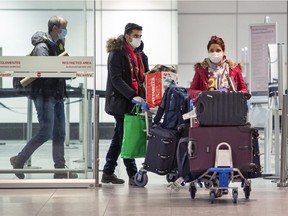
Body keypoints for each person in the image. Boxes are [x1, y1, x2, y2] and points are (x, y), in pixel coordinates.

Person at [10, 16, 78, 179]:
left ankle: (60, 168)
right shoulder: (42, 46)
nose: (65, 31)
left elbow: (58, 69)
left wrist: (68, 71)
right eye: (64, 28)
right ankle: (19, 160)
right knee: (46, 132)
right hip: (44, 94)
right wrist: (62, 70)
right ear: (55, 28)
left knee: (59, 131)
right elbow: (45, 71)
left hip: (56, 93)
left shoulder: (59, 44)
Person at [102, 23, 149, 185]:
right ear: (127, 36)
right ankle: (133, 175)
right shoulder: (117, 53)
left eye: (140, 36)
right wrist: (132, 95)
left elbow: (145, 77)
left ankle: (108, 171)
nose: (138, 39)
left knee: (119, 136)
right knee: (125, 137)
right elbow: (116, 80)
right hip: (121, 101)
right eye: (136, 35)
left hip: (134, 101)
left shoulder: (140, 55)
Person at [188, 35, 248, 99]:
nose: (215, 53)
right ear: (208, 52)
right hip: (208, 106)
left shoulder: (234, 68)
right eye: (211, 50)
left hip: (230, 105)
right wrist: (200, 94)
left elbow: (244, 89)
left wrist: (238, 95)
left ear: (223, 51)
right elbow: (191, 90)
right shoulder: (201, 69)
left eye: (218, 50)